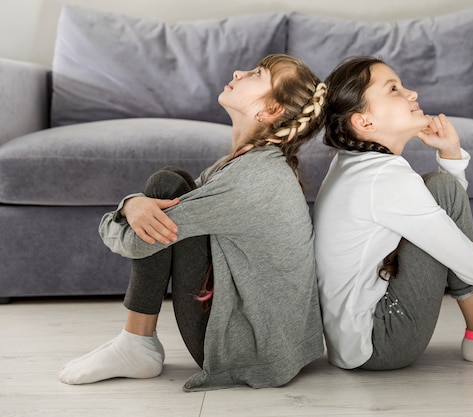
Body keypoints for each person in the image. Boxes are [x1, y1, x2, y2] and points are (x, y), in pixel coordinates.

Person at [58, 54, 327, 389]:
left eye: (257, 74)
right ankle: (134, 342)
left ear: (270, 111)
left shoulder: (251, 179)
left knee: (165, 186)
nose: (238, 72)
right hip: (273, 348)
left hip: (249, 352)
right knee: (173, 184)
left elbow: (136, 242)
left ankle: (136, 343)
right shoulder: (246, 165)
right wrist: (133, 205)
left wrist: (128, 208)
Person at [313, 56, 473, 371]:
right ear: (364, 122)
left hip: (353, 342)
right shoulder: (385, 178)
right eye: (393, 89)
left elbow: (444, 215)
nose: (412, 93)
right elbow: (472, 265)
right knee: (444, 192)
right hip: (382, 341)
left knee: (441, 190)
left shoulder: (354, 164)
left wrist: (450, 154)